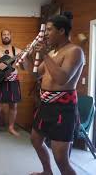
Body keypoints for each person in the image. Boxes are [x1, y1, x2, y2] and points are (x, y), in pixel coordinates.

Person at [19, 12, 84, 175]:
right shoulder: (54, 52)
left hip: (63, 108)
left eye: (49, 30)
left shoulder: (74, 51)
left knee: (61, 158)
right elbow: (36, 74)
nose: (45, 34)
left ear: (61, 31)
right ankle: (47, 172)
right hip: (46, 105)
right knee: (35, 140)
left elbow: (62, 78)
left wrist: (44, 54)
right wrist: (27, 57)